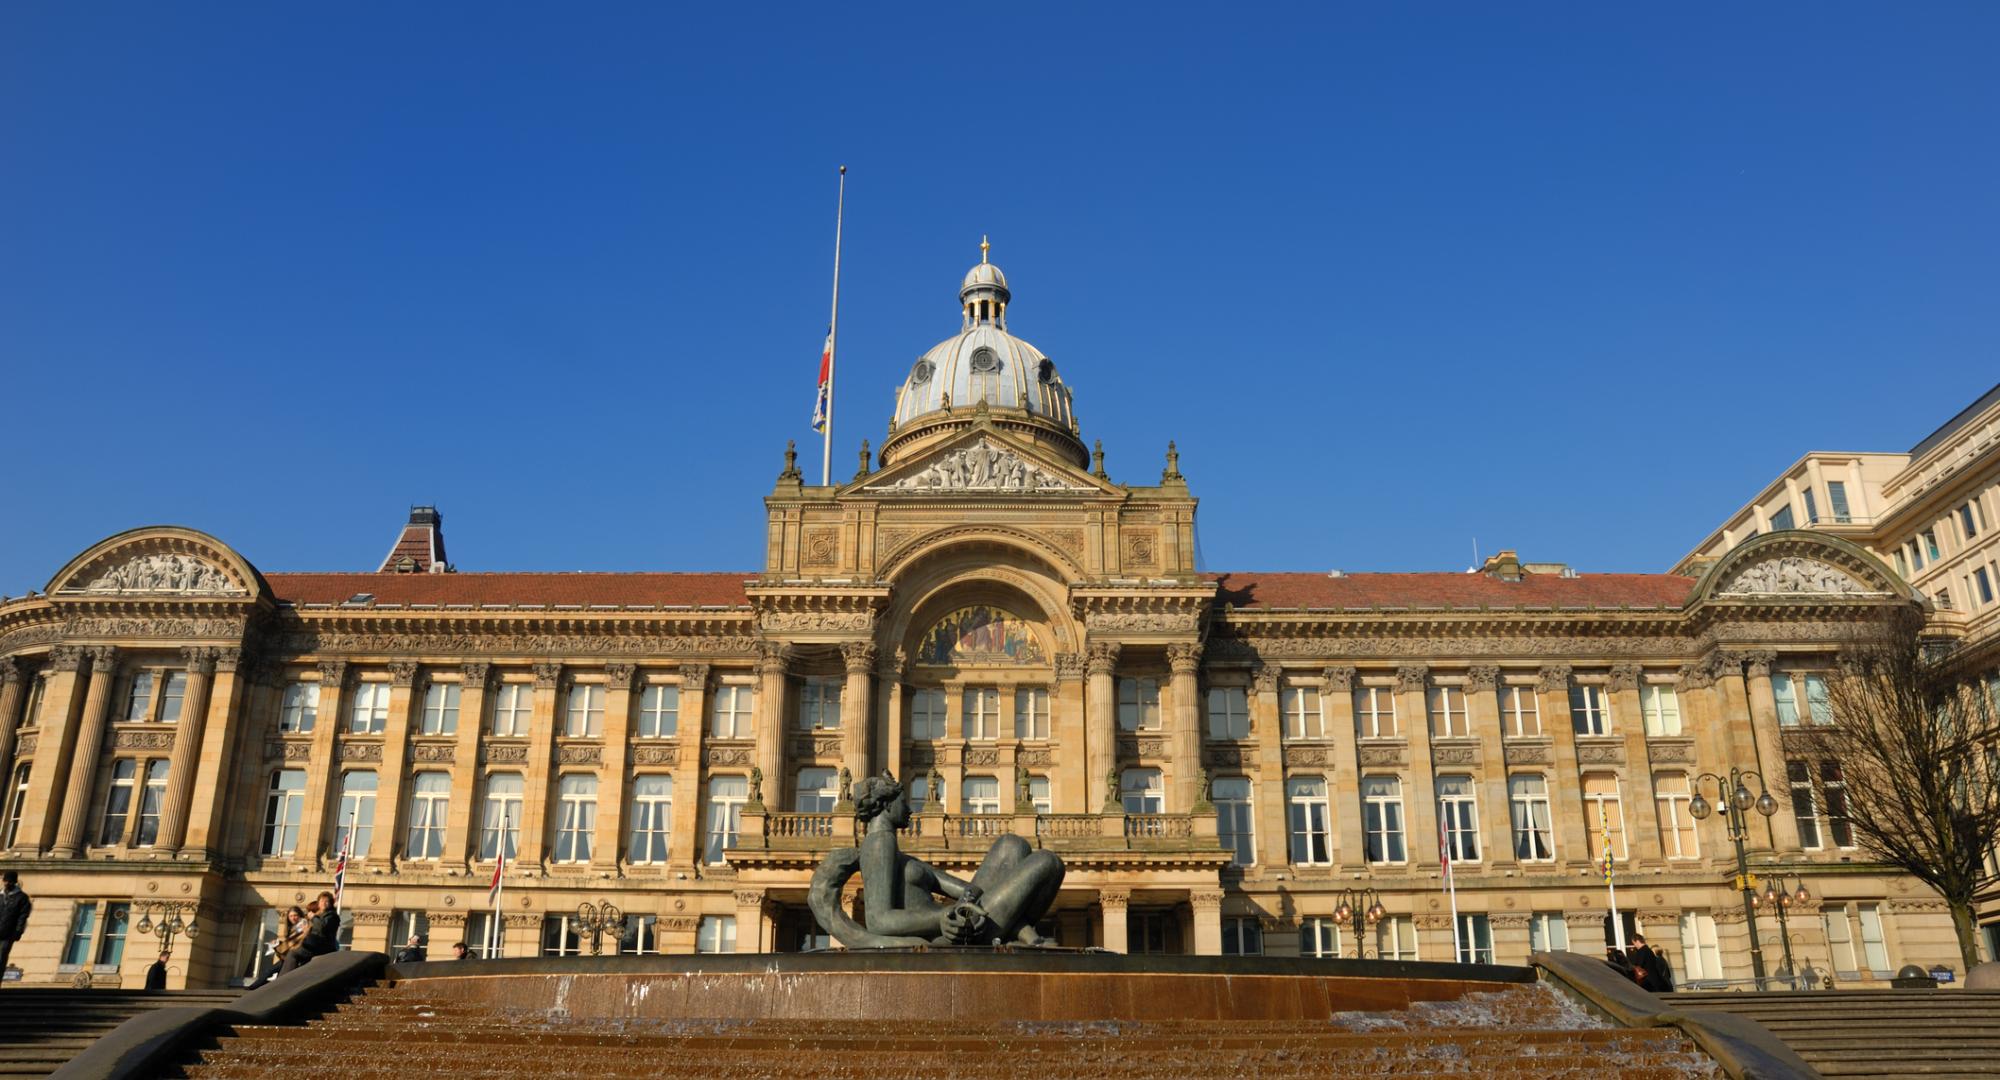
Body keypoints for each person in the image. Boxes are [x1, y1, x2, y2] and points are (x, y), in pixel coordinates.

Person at [281, 892, 340, 974]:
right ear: (318, 903)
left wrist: (314, 917)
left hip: (322, 947)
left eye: (327, 901)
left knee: (293, 954)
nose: (324, 903)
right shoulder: (320, 915)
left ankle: (284, 979)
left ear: (330, 903)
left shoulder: (332, 916)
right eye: (322, 901)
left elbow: (321, 929)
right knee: (291, 954)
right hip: (314, 944)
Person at [0, 871, 29, 976]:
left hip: (8, 934)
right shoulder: (0, 895)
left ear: (14, 882)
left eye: (10, 881)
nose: (7, 884)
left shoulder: (22, 897)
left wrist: (18, 931)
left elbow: (23, 916)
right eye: (6, 881)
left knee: (1, 957)